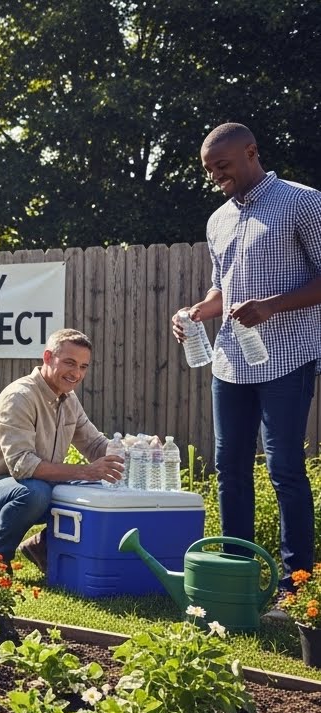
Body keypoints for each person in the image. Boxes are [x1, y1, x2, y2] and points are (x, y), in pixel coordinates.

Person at [172, 122, 321, 589]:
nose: (215, 176)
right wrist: (197, 311)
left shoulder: (302, 202)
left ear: (251, 152)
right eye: (209, 170)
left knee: (283, 469)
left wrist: (271, 306)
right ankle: (237, 574)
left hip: (288, 357)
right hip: (230, 360)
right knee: (229, 469)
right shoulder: (219, 219)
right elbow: (223, 286)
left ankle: (296, 585)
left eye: (222, 165)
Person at [0, 329, 124, 571]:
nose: (76, 373)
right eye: (69, 363)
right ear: (48, 357)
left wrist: (134, 448)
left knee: (101, 490)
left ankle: (42, 546)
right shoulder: (20, 396)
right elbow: (23, 465)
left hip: (40, 485)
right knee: (36, 493)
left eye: (83, 366)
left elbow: (94, 445)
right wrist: (86, 472)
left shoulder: (68, 398)